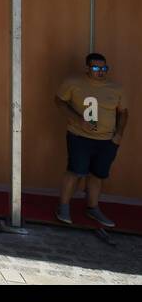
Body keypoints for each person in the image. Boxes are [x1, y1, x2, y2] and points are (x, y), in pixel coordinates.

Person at [56, 52, 129, 227]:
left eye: (104, 68)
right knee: (76, 171)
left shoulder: (116, 88)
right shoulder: (73, 83)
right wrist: (77, 119)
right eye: (96, 67)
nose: (101, 71)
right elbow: (59, 101)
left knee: (98, 175)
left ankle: (92, 208)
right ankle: (63, 207)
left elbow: (123, 113)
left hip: (107, 140)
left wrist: (118, 135)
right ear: (87, 68)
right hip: (80, 137)